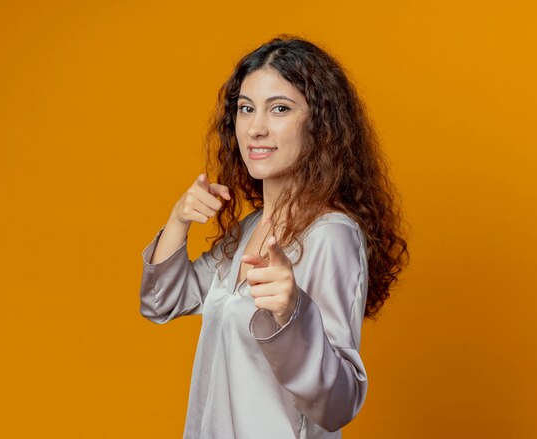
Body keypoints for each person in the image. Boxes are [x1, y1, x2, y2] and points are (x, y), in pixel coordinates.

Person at [139, 35, 408, 439]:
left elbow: (338, 403)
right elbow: (162, 302)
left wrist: (291, 312)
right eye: (246, 109)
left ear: (321, 124)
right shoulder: (250, 227)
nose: (256, 128)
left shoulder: (333, 236)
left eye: (279, 108)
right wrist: (179, 221)